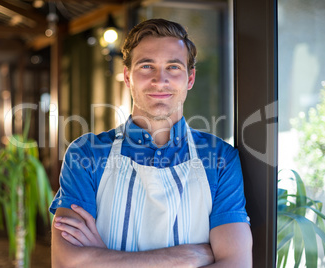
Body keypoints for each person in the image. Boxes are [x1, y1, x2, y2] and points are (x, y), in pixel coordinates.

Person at [50, 18, 252, 267]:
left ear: (190, 79)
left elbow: (236, 263)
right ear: (127, 76)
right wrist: (185, 257)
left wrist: (101, 258)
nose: (160, 80)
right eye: (146, 66)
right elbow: (66, 262)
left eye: (173, 67)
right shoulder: (86, 154)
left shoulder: (220, 159)